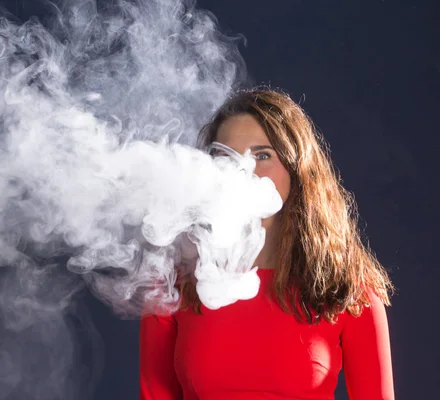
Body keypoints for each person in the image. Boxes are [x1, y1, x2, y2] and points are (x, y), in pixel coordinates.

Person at [138, 88, 395, 400]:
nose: (243, 171)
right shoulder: (173, 283)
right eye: (225, 157)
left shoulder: (347, 286)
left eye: (262, 155)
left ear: (297, 169)